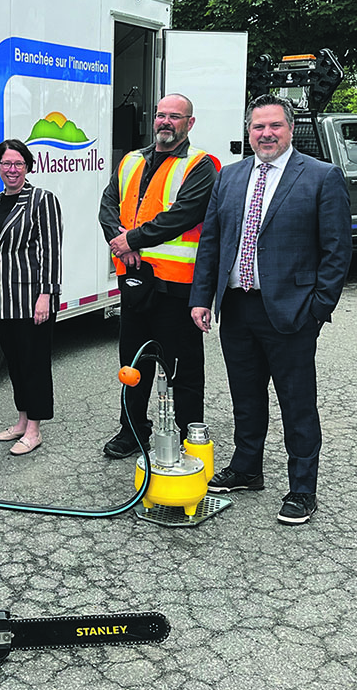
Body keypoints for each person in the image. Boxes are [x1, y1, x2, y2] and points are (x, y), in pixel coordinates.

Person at [189, 94, 352, 525]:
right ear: (249, 132)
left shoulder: (320, 176)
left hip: (292, 312)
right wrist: (202, 297)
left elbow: (337, 250)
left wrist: (318, 308)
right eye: (258, 127)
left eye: (274, 126)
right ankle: (247, 468)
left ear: (290, 129)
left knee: (297, 403)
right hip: (238, 308)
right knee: (245, 396)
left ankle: (302, 489)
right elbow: (212, 243)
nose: (266, 134)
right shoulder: (229, 177)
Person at [97, 93, 217, 458]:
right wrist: (122, 244)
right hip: (135, 283)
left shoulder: (201, 165)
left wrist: (131, 239)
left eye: (175, 117)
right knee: (132, 366)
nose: (165, 122)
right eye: (161, 115)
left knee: (183, 370)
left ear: (189, 124)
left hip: (176, 289)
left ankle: (189, 437)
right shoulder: (132, 160)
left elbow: (183, 214)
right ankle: (132, 431)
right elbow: (107, 206)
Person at [0, 139, 63, 455]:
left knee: (34, 363)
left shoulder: (42, 200)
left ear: (28, 166)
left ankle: (35, 429)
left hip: (31, 298)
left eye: (18, 163)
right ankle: (21, 420)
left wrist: (46, 294)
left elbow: (51, 252)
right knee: (14, 362)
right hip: (2, 297)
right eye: (6, 163)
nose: (12, 169)